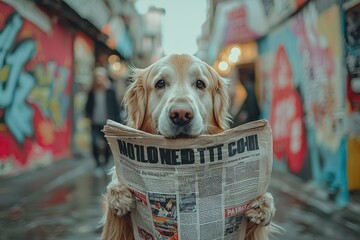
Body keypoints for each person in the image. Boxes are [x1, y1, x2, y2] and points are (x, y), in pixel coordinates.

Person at [85, 67, 120, 172]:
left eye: (100, 77)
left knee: (108, 145)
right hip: (95, 122)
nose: (98, 79)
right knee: (94, 143)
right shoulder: (92, 91)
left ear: (104, 78)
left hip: (107, 123)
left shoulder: (110, 90)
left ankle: (104, 164)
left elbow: (115, 107)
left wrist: (116, 120)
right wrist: (87, 114)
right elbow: (88, 105)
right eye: (97, 77)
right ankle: (98, 164)